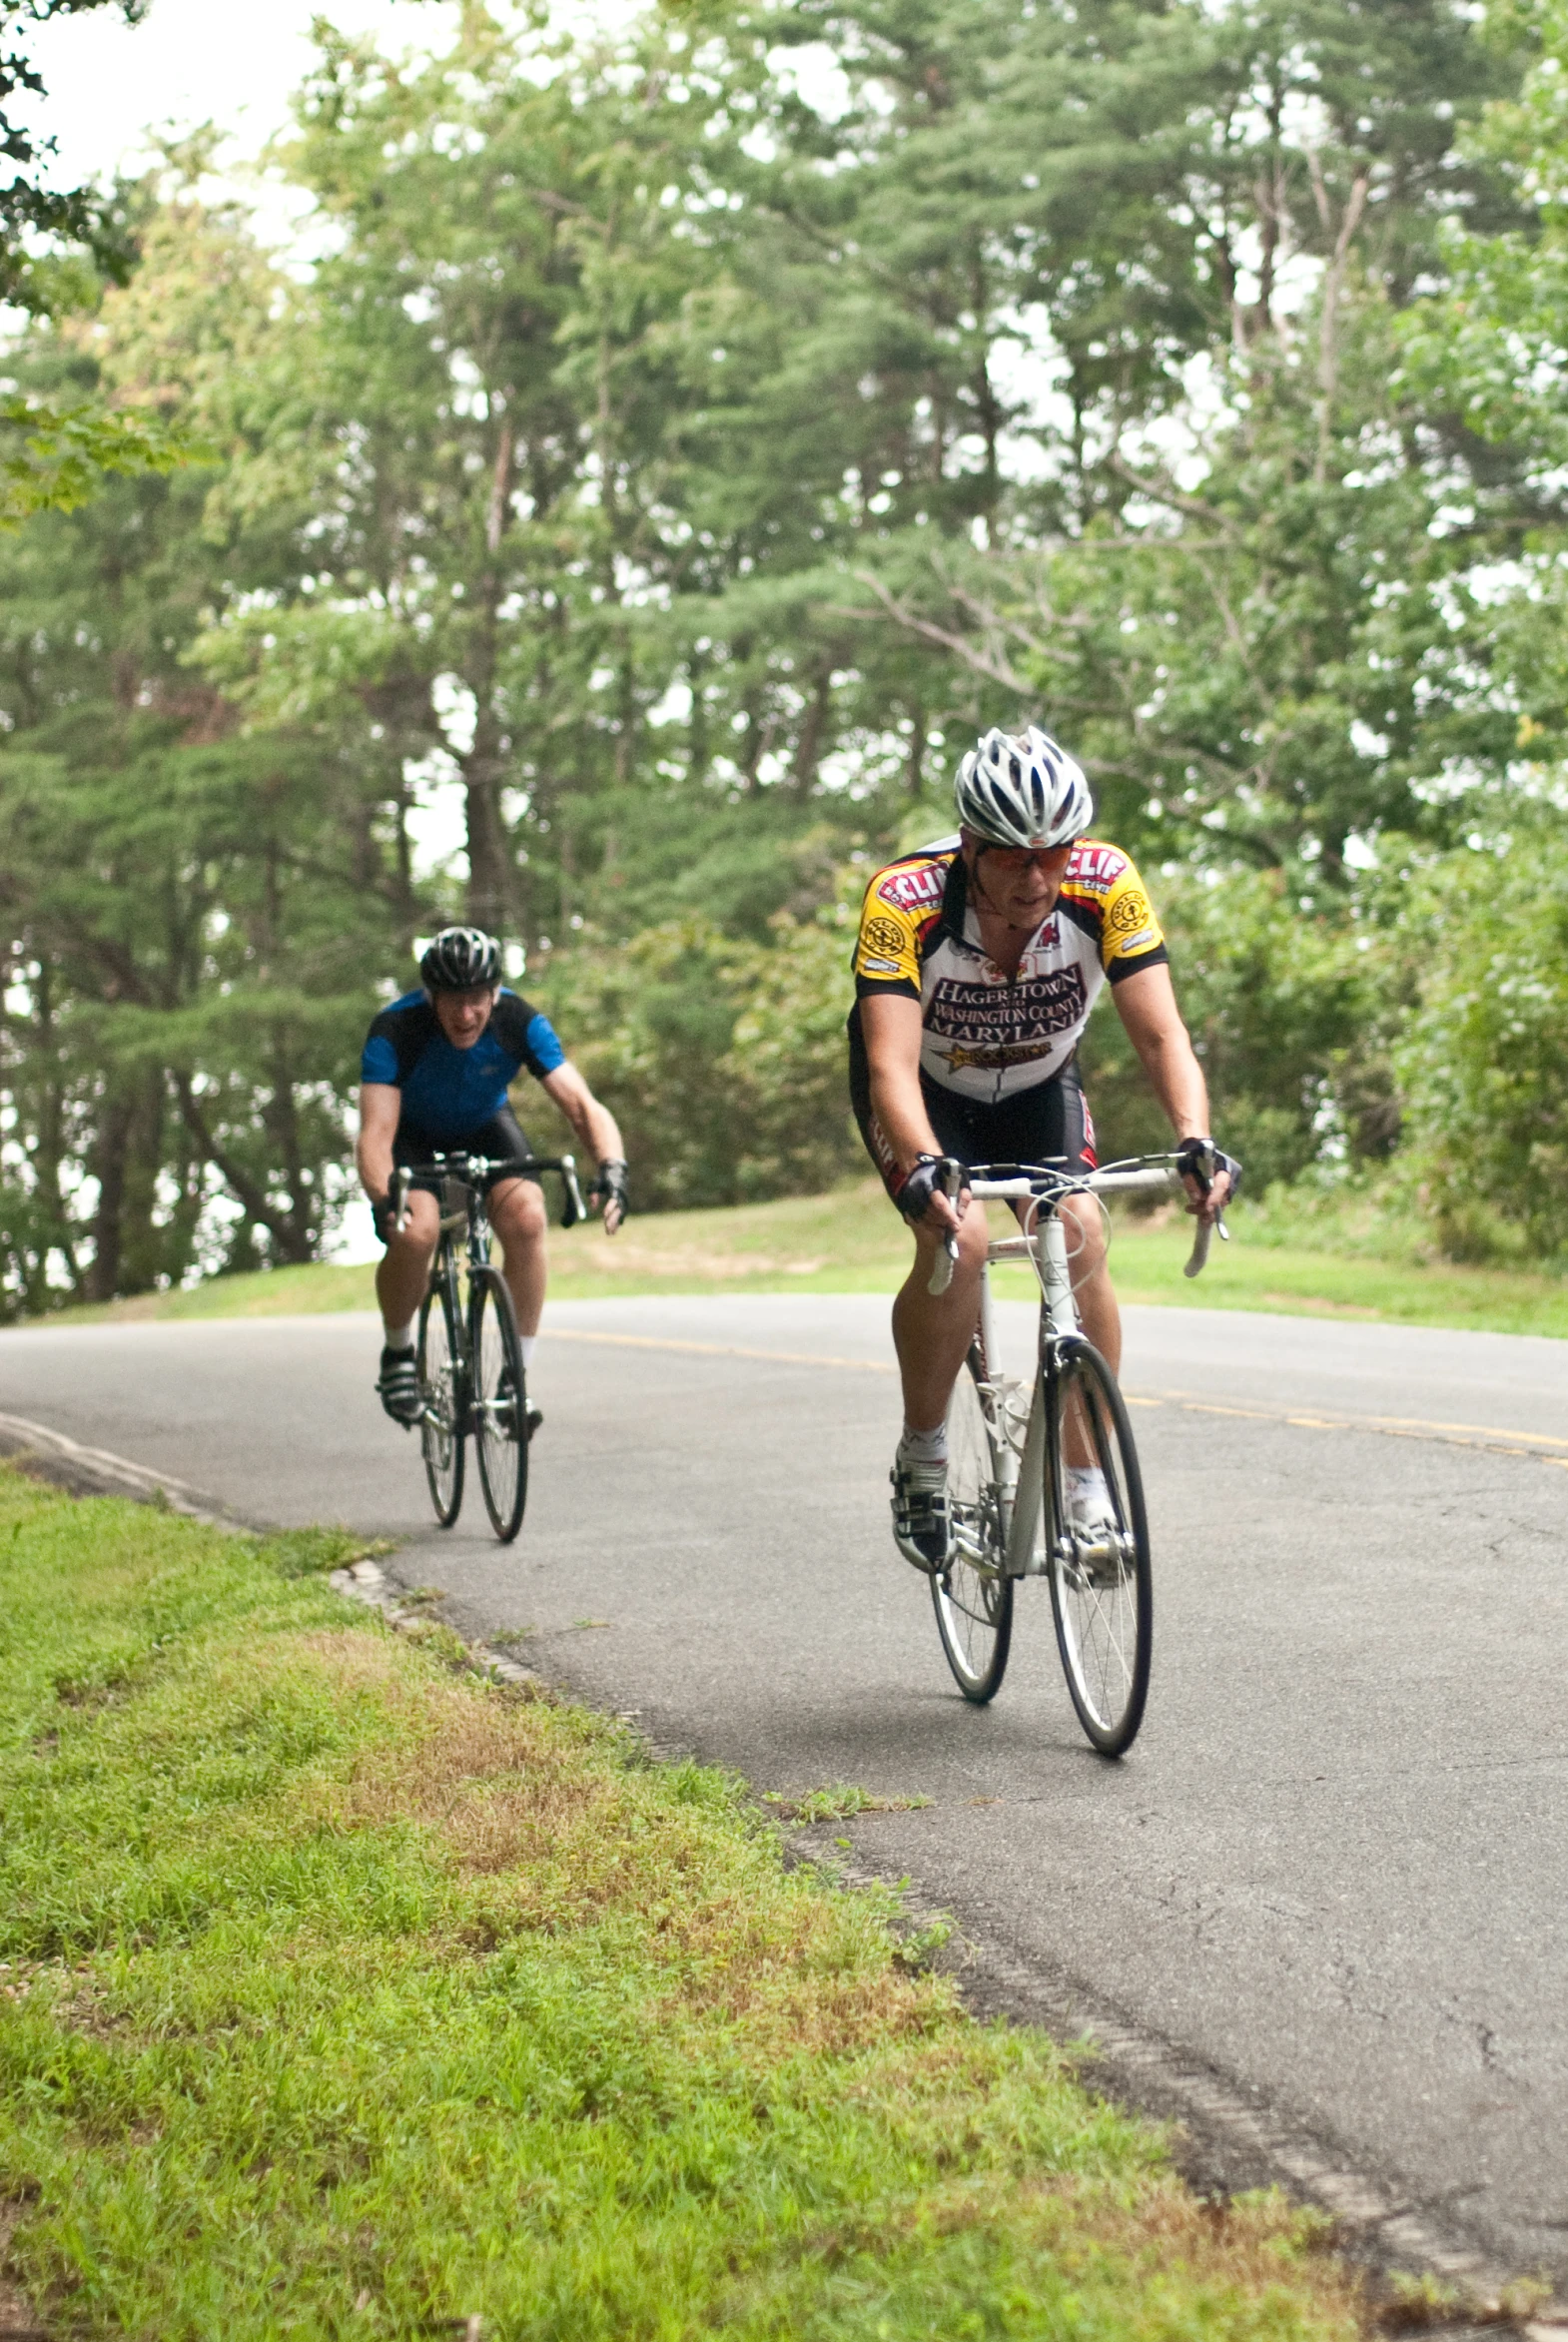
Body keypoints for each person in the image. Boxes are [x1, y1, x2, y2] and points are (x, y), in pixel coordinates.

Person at [849, 724, 1239, 1574]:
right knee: (965, 1238)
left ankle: (1088, 1486)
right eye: (1013, 859)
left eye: (1053, 854)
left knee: (1082, 1232)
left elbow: (1163, 1034)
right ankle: (923, 1452)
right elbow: (887, 1064)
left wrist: (1194, 1138)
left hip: (1036, 1089)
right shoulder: (905, 898)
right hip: (927, 1095)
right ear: (968, 846)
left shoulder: (1105, 883)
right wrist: (922, 1166)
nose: (1037, 879)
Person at [356, 925, 628, 1427]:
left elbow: (580, 1105)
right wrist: (383, 1196)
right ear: (431, 997)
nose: (466, 1015)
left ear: (495, 992)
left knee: (527, 1219)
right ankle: (398, 1352)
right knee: (417, 1233)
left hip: (485, 1125)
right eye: (453, 1001)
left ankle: (513, 1379)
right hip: (411, 1134)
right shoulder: (396, 1029)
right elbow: (376, 1133)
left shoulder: (519, 1021)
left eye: (478, 999)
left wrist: (611, 1165)